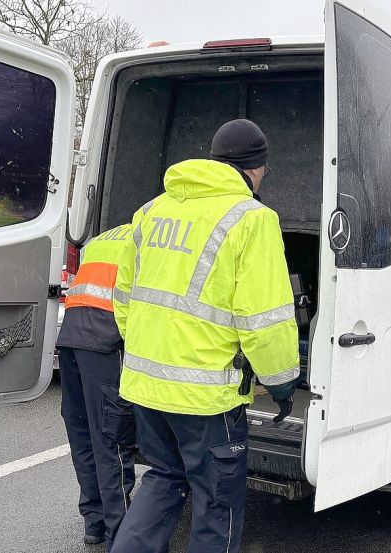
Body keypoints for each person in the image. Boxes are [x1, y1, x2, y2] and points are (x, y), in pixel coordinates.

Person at [111, 119, 299, 552]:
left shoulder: (151, 210)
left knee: (163, 478)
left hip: (145, 385)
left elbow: (125, 298)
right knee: (217, 503)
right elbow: (264, 319)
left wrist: (150, 352)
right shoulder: (252, 219)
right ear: (255, 169)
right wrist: (281, 379)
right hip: (206, 396)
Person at [56, 224, 137, 549]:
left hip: (72, 338)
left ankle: (95, 522)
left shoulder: (107, 237)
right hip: (106, 339)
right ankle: (122, 533)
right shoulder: (150, 237)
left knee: (84, 435)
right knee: (112, 439)